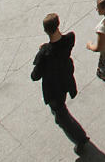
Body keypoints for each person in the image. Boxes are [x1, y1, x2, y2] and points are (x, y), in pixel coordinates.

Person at [31, 12, 89, 154]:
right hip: (65, 81)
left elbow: (35, 76)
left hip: (52, 88)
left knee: (62, 117)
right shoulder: (70, 38)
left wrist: (43, 49)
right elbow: (57, 46)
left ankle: (80, 138)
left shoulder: (45, 54)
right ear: (58, 24)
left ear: (45, 30)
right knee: (61, 107)